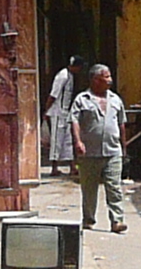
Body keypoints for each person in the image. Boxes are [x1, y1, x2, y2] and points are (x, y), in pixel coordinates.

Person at [68, 63, 131, 234]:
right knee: (89, 189)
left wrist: (123, 146)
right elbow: (74, 121)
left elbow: (121, 124)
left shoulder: (116, 100)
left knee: (114, 187)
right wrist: (78, 142)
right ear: (96, 80)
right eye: (106, 77)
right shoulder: (82, 100)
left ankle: (117, 220)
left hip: (112, 151)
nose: (110, 80)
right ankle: (88, 219)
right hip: (89, 153)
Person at [45, 57, 77, 176]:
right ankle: (54, 167)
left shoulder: (70, 76)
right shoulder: (62, 76)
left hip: (66, 112)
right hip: (57, 112)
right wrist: (47, 110)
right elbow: (54, 94)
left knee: (68, 140)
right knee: (56, 140)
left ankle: (72, 167)